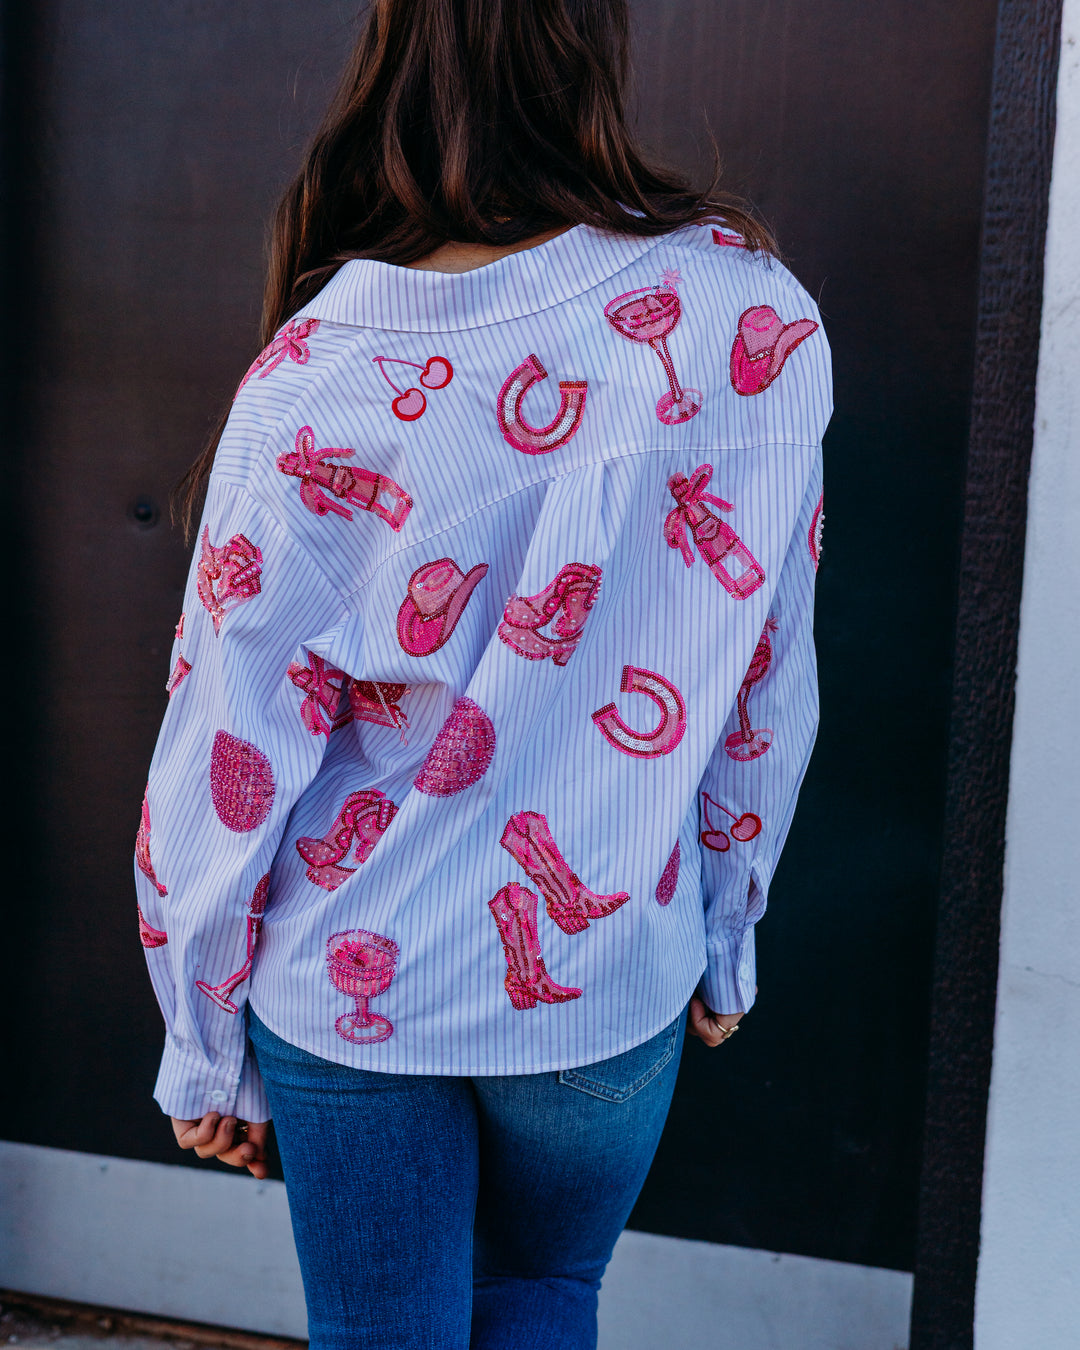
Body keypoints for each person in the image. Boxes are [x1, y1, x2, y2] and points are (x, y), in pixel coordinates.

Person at [134, 1, 831, 1345]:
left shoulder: (317, 375)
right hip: (608, 966)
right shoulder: (755, 316)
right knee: (545, 1295)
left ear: (393, 59)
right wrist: (728, 930)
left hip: (352, 982)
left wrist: (201, 1029)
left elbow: (231, 739)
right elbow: (765, 677)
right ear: (594, 49)